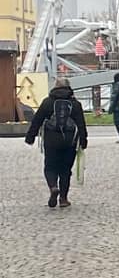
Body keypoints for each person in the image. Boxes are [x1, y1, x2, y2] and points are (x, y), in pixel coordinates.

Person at [26, 78, 87, 208]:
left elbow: (37, 120)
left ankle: (53, 187)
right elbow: (81, 124)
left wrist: (30, 137)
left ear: (55, 87)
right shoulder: (75, 104)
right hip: (70, 141)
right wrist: (83, 140)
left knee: (50, 167)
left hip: (51, 140)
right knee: (65, 170)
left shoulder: (48, 102)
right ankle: (63, 199)